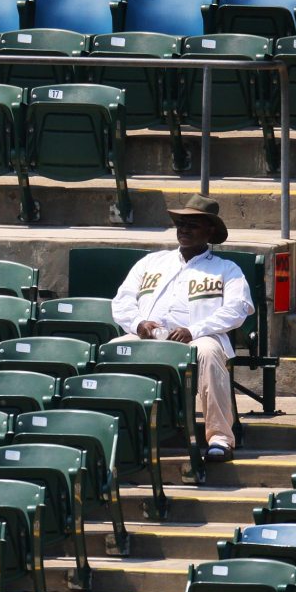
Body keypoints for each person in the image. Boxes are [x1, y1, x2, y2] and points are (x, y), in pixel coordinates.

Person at [110, 194, 253, 462]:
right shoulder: (152, 262)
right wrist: (138, 324)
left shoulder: (226, 269)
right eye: (181, 224)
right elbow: (122, 300)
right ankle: (115, 432)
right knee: (112, 351)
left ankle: (220, 438)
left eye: (192, 225)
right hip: (148, 337)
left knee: (208, 353)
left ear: (209, 231)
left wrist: (194, 330)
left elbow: (238, 309)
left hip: (198, 339)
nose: (184, 230)